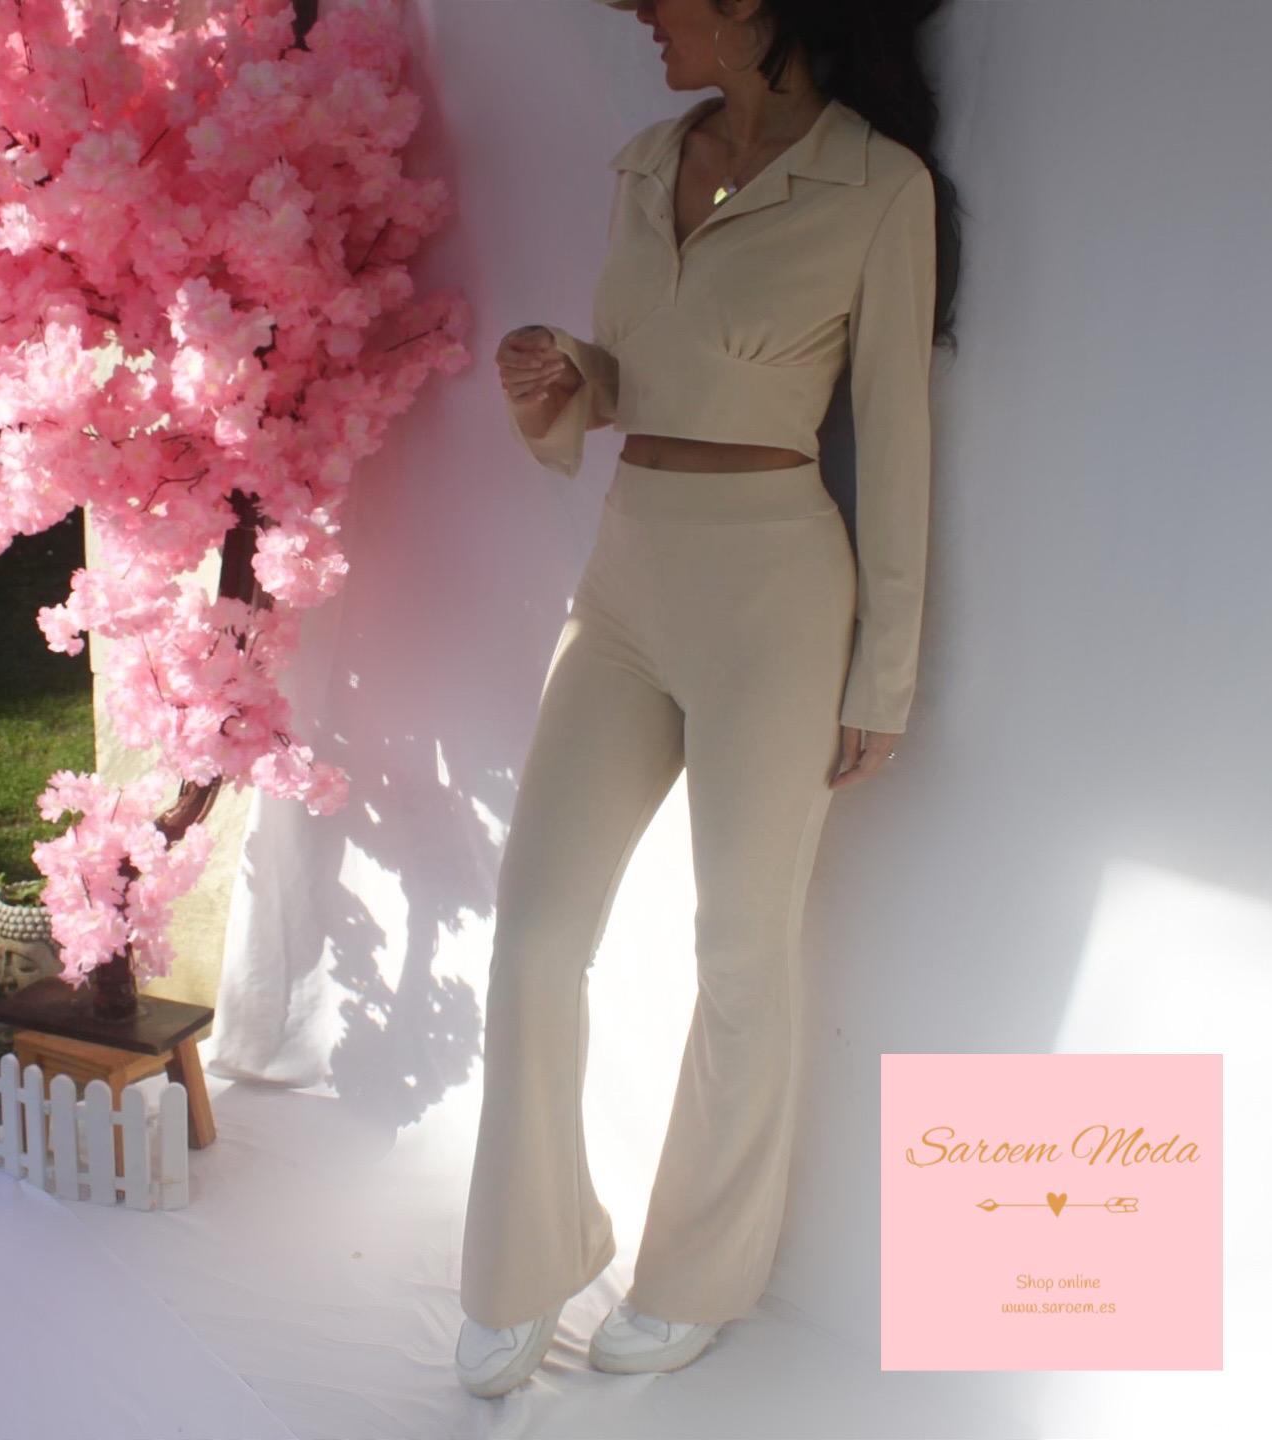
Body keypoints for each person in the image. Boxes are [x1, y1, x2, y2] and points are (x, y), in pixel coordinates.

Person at [455, 0, 959, 1398]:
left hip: (774, 598)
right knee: (535, 934)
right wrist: (570, 376)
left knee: (740, 949)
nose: (637, 11)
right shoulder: (643, 161)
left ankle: (697, 1275)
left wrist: (885, 673)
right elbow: (649, 382)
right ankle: (524, 1258)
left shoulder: (880, 189)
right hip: (625, 578)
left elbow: (896, 442)